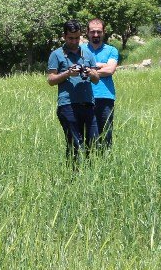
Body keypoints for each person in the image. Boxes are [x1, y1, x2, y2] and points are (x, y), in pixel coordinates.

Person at [47, 20, 101, 166]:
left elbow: (96, 79)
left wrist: (90, 72)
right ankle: (73, 174)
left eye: (77, 38)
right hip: (67, 105)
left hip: (88, 104)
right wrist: (67, 74)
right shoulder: (56, 55)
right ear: (64, 36)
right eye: (71, 38)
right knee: (75, 144)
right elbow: (51, 80)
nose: (75, 41)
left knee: (94, 142)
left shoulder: (87, 53)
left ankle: (91, 173)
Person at [86, 18, 119, 150]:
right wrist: (100, 66)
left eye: (99, 32)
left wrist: (88, 70)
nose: (95, 35)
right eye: (92, 32)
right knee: (86, 135)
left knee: (106, 135)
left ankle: (104, 164)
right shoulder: (80, 49)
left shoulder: (112, 50)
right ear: (87, 32)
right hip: (84, 98)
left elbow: (110, 70)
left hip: (105, 98)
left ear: (104, 32)